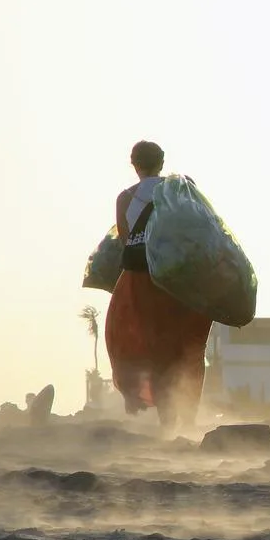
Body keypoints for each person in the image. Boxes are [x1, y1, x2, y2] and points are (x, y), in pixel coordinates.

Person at [104, 140, 213, 432]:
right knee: (187, 347)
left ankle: (167, 422)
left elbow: (126, 241)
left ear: (134, 165)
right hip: (181, 278)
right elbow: (203, 227)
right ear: (162, 162)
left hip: (143, 281)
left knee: (157, 349)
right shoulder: (182, 188)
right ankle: (189, 418)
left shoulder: (125, 199)